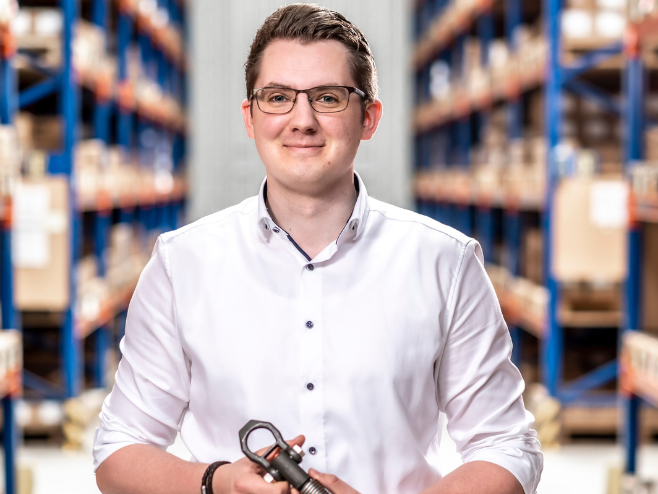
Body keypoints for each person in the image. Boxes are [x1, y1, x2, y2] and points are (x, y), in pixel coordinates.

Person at [94, 4, 543, 494]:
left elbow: (506, 445)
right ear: (251, 117)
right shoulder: (182, 264)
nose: (302, 120)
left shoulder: (444, 263)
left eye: (328, 98)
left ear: (368, 117)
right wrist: (216, 482)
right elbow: (119, 447)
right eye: (278, 97)